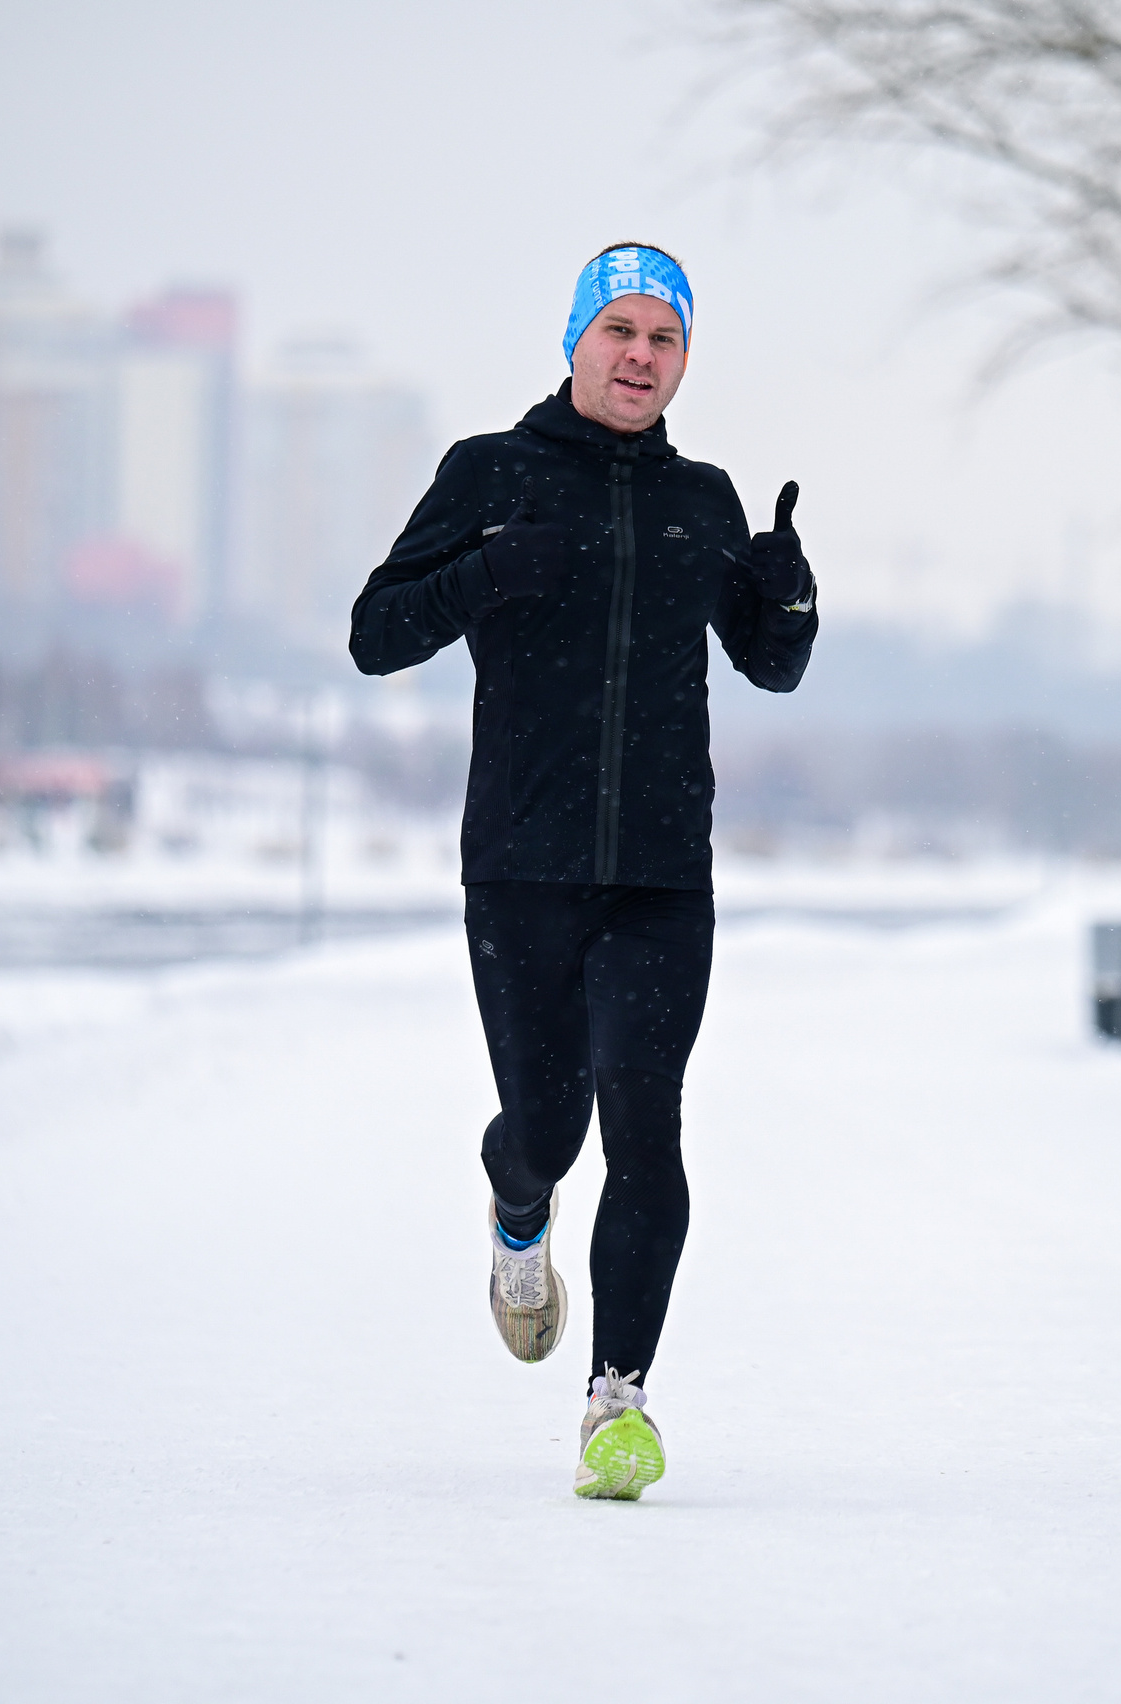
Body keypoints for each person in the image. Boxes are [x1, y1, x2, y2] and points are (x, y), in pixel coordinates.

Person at [349, 244, 818, 1499]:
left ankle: (619, 1401)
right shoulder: (489, 473)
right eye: (618, 330)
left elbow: (770, 665)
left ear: (682, 363)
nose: (638, 357)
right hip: (520, 868)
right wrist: (491, 565)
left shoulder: (704, 499)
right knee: (549, 1127)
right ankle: (517, 1211)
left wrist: (789, 599)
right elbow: (374, 635)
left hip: (662, 874)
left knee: (646, 1123)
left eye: (662, 340)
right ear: (573, 340)